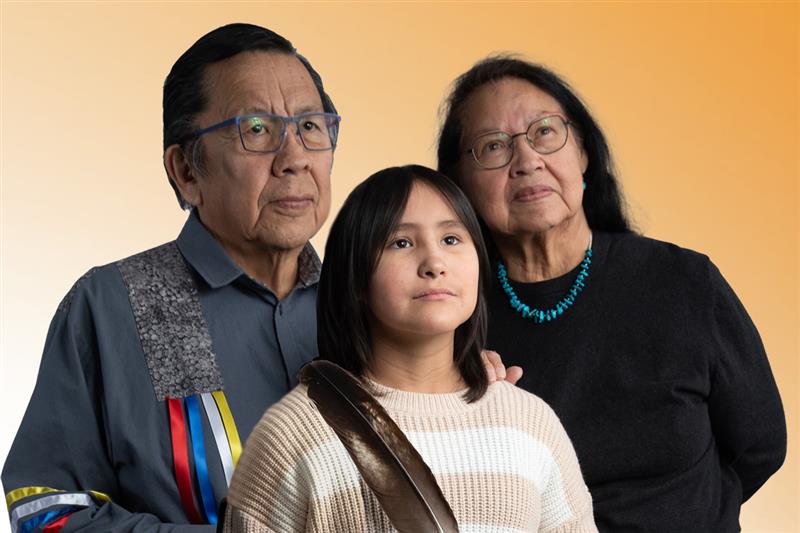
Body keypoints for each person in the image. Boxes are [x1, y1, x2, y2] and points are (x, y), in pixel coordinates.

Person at [2, 23, 339, 532]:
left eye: (310, 126)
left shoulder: (367, 298)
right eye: (256, 129)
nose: (294, 159)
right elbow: (45, 507)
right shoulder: (115, 305)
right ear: (186, 170)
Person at [436, 56, 787, 532]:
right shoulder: (447, 321)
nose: (527, 161)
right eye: (493, 146)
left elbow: (761, 444)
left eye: (544, 132)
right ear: (458, 186)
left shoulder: (682, 281)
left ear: (582, 153)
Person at [222, 165, 597, 532]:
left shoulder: (531, 426)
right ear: (356, 278)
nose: (434, 263)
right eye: (401, 243)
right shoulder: (292, 435)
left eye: (451, 239)